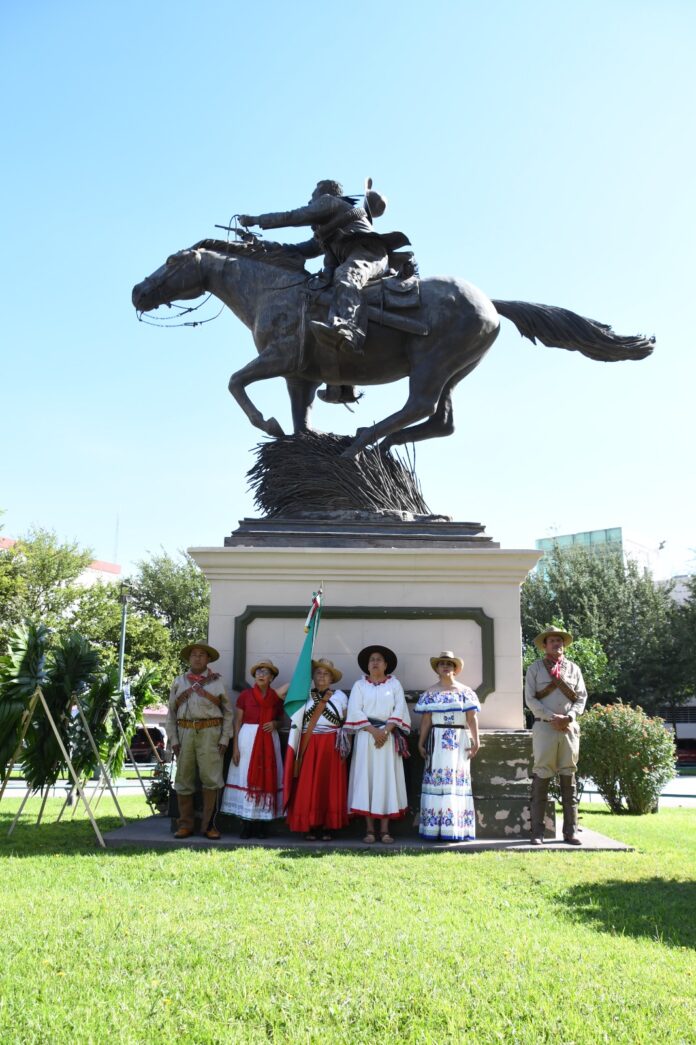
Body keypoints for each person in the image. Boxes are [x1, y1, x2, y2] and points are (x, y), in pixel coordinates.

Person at [239, 179, 407, 354]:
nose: (310, 200)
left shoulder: (329, 201)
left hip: (369, 252)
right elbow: (299, 250)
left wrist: (255, 220)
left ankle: (348, 328)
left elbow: (294, 216)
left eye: (313, 195)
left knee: (346, 275)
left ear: (325, 194)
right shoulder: (329, 231)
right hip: (360, 254)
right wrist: (259, 244)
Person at [524, 626, 588, 845]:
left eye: (559, 641)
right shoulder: (534, 669)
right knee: (541, 777)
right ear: (544, 645)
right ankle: (537, 832)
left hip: (569, 729)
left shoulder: (574, 669)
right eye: (552, 641)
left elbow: (581, 697)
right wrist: (552, 717)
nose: (557, 644)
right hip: (545, 728)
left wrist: (569, 717)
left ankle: (571, 832)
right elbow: (530, 699)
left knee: (569, 777)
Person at [166, 641, 234, 840]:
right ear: (189, 658)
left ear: (208, 659)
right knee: (183, 779)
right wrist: (174, 739)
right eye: (194, 654)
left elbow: (228, 713)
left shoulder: (218, 683)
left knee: (211, 780)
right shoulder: (178, 682)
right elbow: (171, 713)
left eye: (202, 655)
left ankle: (209, 826)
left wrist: (225, 738)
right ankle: (185, 825)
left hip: (210, 734)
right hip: (184, 733)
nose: (197, 658)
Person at [346, 644, 411, 844]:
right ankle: (369, 830)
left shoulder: (394, 685)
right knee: (366, 779)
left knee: (386, 780)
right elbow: (355, 710)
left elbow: (399, 709)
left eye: (379, 660)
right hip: (366, 737)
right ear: (367, 665)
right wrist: (374, 731)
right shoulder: (359, 685)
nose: (375, 662)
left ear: (385, 665)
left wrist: (385, 731)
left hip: (387, 738)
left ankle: (385, 830)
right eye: (372, 660)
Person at [415, 651, 480, 842]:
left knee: (455, 783)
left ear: (455, 669)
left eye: (449, 664)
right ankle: (434, 829)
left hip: (459, 741)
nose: (445, 666)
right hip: (436, 742)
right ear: (437, 669)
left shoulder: (465, 692)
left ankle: (454, 828)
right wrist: (420, 742)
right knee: (437, 783)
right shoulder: (430, 693)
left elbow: (472, 718)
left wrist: (477, 741)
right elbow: (426, 720)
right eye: (441, 664)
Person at [283, 658, 350, 841]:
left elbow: (346, 722)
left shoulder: (340, 696)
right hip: (309, 743)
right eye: (318, 673)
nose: (322, 676)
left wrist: (346, 747)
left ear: (332, 678)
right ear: (312, 676)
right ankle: (309, 825)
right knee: (308, 783)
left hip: (332, 743)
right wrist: (298, 680)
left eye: (326, 674)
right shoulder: (303, 694)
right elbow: (281, 697)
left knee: (329, 784)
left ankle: (328, 825)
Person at [220, 658, 287, 838]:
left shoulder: (276, 697)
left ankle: (262, 825)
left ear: (272, 678)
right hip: (247, 740)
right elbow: (238, 722)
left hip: (268, 740)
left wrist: (275, 723)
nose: (261, 674)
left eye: (265, 672)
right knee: (246, 778)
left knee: (266, 777)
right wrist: (235, 748)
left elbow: (281, 721)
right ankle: (247, 824)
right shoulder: (245, 695)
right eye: (258, 671)